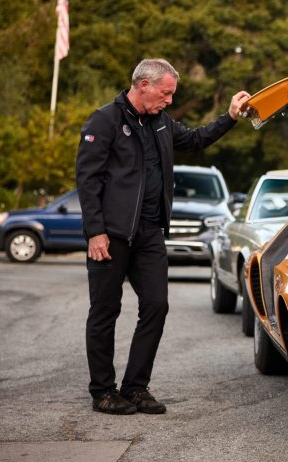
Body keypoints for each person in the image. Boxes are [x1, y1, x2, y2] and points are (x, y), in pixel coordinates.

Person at [76, 58, 250, 415]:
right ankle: (103, 391)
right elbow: (88, 180)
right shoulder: (105, 120)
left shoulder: (161, 123)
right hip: (111, 235)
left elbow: (197, 139)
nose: (169, 100)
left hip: (150, 234)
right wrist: (96, 232)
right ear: (143, 85)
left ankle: (136, 387)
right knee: (105, 311)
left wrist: (230, 117)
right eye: (166, 93)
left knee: (157, 305)